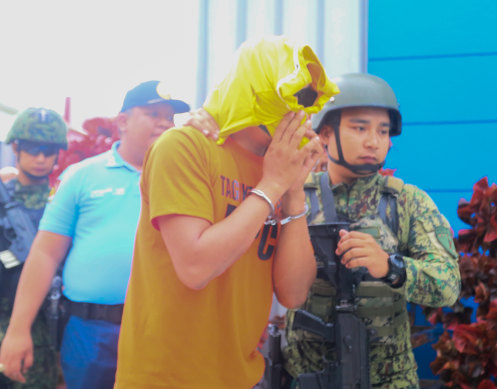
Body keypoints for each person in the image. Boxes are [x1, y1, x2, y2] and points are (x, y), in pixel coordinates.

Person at [114, 36, 339, 389]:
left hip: (242, 377)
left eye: (309, 102)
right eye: (295, 98)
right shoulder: (183, 146)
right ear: (258, 90)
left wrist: (293, 192)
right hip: (166, 379)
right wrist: (271, 187)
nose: (302, 114)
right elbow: (196, 266)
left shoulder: (276, 168)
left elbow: (294, 295)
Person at [0, 80, 190, 389]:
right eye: (153, 113)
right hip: (90, 332)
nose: (164, 123)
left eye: (169, 117)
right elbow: (45, 253)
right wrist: (18, 330)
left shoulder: (184, 176)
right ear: (123, 121)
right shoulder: (82, 176)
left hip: (163, 329)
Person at [281, 73, 462, 388]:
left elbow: (448, 286)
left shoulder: (406, 202)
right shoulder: (295, 196)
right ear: (325, 133)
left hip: (389, 381)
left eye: (383, 131)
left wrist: (392, 267)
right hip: (308, 378)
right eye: (359, 128)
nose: (373, 141)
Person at [0, 107, 69, 388]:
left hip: (50, 324)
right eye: (31, 148)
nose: (40, 158)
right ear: (16, 147)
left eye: (48, 150)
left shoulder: (64, 200)